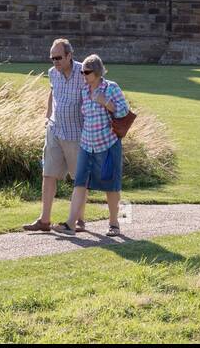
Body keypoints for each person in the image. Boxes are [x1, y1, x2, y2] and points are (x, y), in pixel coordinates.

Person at [55, 53, 130, 238]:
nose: (83, 76)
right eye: (81, 72)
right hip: (87, 145)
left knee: (111, 186)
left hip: (108, 145)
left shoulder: (111, 88)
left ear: (97, 72)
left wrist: (106, 103)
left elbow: (124, 111)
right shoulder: (84, 91)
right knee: (80, 183)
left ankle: (114, 224)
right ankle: (70, 224)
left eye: (86, 73)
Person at [23, 38, 87, 233]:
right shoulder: (53, 73)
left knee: (80, 179)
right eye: (52, 58)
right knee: (48, 173)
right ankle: (44, 220)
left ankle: (79, 220)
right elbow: (52, 93)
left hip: (77, 134)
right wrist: (47, 116)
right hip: (55, 130)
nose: (55, 62)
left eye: (58, 58)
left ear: (69, 56)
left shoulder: (84, 73)